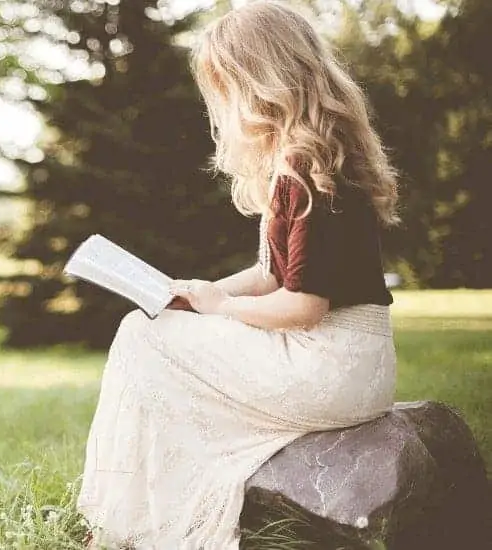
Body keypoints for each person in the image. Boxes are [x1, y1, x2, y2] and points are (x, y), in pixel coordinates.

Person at [75, 1, 400, 548]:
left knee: (140, 336)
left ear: (260, 84)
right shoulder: (316, 158)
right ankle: (137, 515)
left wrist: (219, 310)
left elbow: (302, 308)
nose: (221, 106)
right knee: (151, 329)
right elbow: (272, 274)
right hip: (354, 363)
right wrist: (198, 292)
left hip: (329, 364)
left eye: (224, 88)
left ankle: (127, 524)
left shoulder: (303, 167)